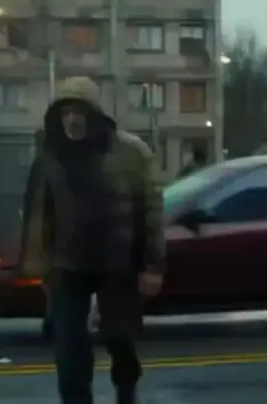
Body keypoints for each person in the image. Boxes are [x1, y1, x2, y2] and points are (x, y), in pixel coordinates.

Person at [20, 77, 166, 404]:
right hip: (67, 265)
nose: (72, 120)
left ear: (94, 115)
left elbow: (151, 211)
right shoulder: (50, 156)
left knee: (120, 339)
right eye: (66, 113)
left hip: (118, 262)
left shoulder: (130, 152)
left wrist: (153, 266)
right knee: (69, 347)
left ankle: (126, 391)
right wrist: (39, 264)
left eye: (79, 112)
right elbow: (38, 211)